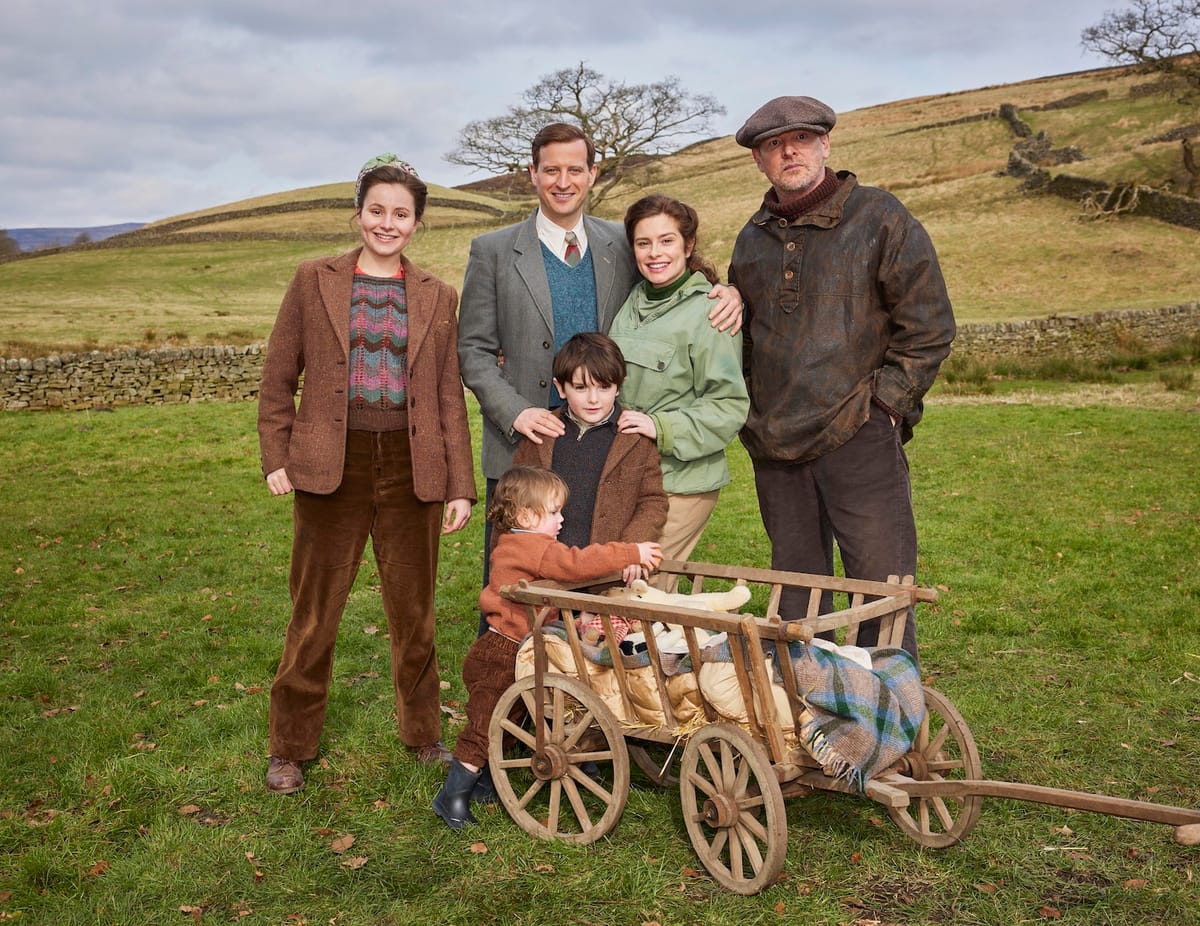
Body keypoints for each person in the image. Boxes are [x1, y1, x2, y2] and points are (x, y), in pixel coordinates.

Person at [456, 123, 742, 623]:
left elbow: (672, 281)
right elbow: (474, 350)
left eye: (575, 169)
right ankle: (508, 684)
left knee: (596, 587)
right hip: (530, 450)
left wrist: (724, 289)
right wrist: (516, 412)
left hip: (605, 448)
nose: (563, 181)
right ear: (532, 174)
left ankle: (583, 687)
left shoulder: (619, 241)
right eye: (551, 170)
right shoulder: (493, 250)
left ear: (592, 173)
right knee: (515, 591)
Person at [257, 154, 476, 794]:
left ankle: (423, 732)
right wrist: (277, 455)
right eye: (376, 210)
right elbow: (277, 379)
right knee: (314, 610)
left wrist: (460, 483)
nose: (387, 223)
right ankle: (290, 746)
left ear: (417, 224)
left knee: (415, 611)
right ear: (359, 214)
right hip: (333, 465)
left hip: (414, 469)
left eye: (401, 214)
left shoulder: (438, 295)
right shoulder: (312, 280)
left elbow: (445, 395)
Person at [727, 96, 956, 659]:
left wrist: (885, 409)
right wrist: (753, 414)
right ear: (759, 160)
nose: (789, 151)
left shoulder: (879, 216)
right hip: (776, 443)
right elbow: (746, 339)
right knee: (799, 599)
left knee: (880, 590)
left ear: (825, 144)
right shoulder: (751, 241)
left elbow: (928, 326)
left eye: (801, 139)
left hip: (860, 431)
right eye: (773, 145)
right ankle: (815, 725)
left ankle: (890, 728)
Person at [432, 466, 661, 829]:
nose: (561, 518)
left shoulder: (526, 543)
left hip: (525, 647)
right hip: (502, 652)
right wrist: (630, 551)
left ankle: (485, 783)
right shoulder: (530, 547)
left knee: (515, 719)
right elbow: (575, 564)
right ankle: (451, 797)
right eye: (553, 512)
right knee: (486, 725)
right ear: (525, 515)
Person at [608, 195, 750, 592]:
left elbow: (728, 407)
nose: (655, 253)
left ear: (688, 246)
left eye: (667, 241)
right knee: (621, 598)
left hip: (682, 482)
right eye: (643, 243)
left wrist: (658, 425)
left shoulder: (711, 312)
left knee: (641, 596)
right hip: (633, 476)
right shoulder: (632, 301)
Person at [512, 331, 668, 583]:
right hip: (546, 574)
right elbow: (514, 500)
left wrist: (632, 547)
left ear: (619, 386)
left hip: (609, 575)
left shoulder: (634, 435)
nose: (594, 399)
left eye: (604, 387)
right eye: (581, 388)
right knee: (549, 624)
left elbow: (653, 501)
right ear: (560, 388)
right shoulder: (543, 432)